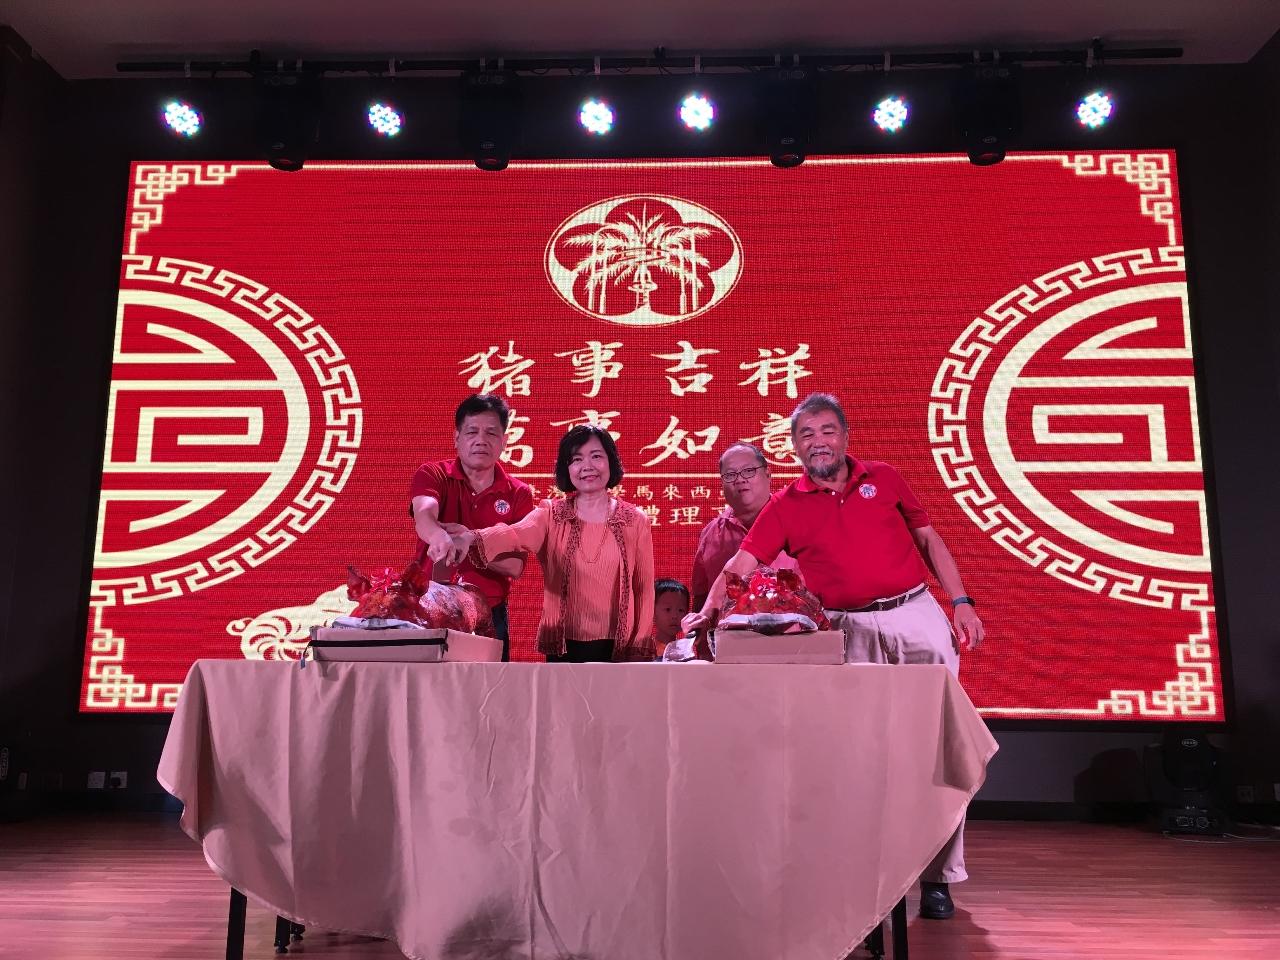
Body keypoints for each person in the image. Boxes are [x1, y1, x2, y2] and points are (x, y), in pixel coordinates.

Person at [682, 392, 986, 921]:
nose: (817, 442)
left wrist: (960, 602)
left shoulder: (885, 478)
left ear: (845, 436)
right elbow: (742, 561)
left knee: (940, 743)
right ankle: (863, 879)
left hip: (915, 615)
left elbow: (930, 541)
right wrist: (707, 613)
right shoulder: (786, 506)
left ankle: (940, 877)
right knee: (856, 754)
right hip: (846, 631)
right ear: (794, 447)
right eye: (805, 435)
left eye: (826, 431)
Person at [447, 424, 656, 663]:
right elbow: (515, 534)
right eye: (576, 459)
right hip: (564, 646)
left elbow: (643, 589)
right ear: (567, 469)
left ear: (611, 462)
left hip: (619, 647)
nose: (587, 466)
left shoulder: (635, 519)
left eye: (596, 456)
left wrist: (639, 644)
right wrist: (472, 537)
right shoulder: (551, 514)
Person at [411, 394, 533, 661]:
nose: (481, 440)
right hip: (429, 610)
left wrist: (471, 543)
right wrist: (439, 536)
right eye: (472, 432)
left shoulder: (519, 493)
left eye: (491, 432)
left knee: (491, 696)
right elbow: (424, 514)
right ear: (457, 438)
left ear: (504, 441)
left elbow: (516, 566)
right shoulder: (433, 474)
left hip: (489, 614)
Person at [691, 442, 799, 611]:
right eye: (730, 474)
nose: (740, 479)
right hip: (727, 636)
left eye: (749, 471)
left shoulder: (798, 524)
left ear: (768, 473)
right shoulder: (710, 534)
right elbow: (701, 600)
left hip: (795, 635)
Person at [653, 578, 691, 658]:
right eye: (668, 609)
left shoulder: (686, 650)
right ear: (652, 612)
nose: (674, 616)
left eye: (680, 610)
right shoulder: (647, 649)